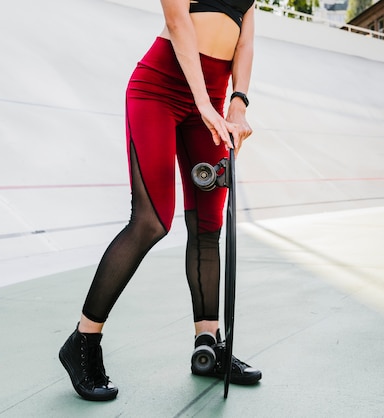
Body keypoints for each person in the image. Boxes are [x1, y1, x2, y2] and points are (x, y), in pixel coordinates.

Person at [58, 0, 260, 401]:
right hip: (161, 88)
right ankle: (82, 342)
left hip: (212, 97)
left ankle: (209, 345)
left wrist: (237, 103)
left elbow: (245, 43)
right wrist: (204, 103)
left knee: (208, 226)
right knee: (151, 220)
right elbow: (176, 19)